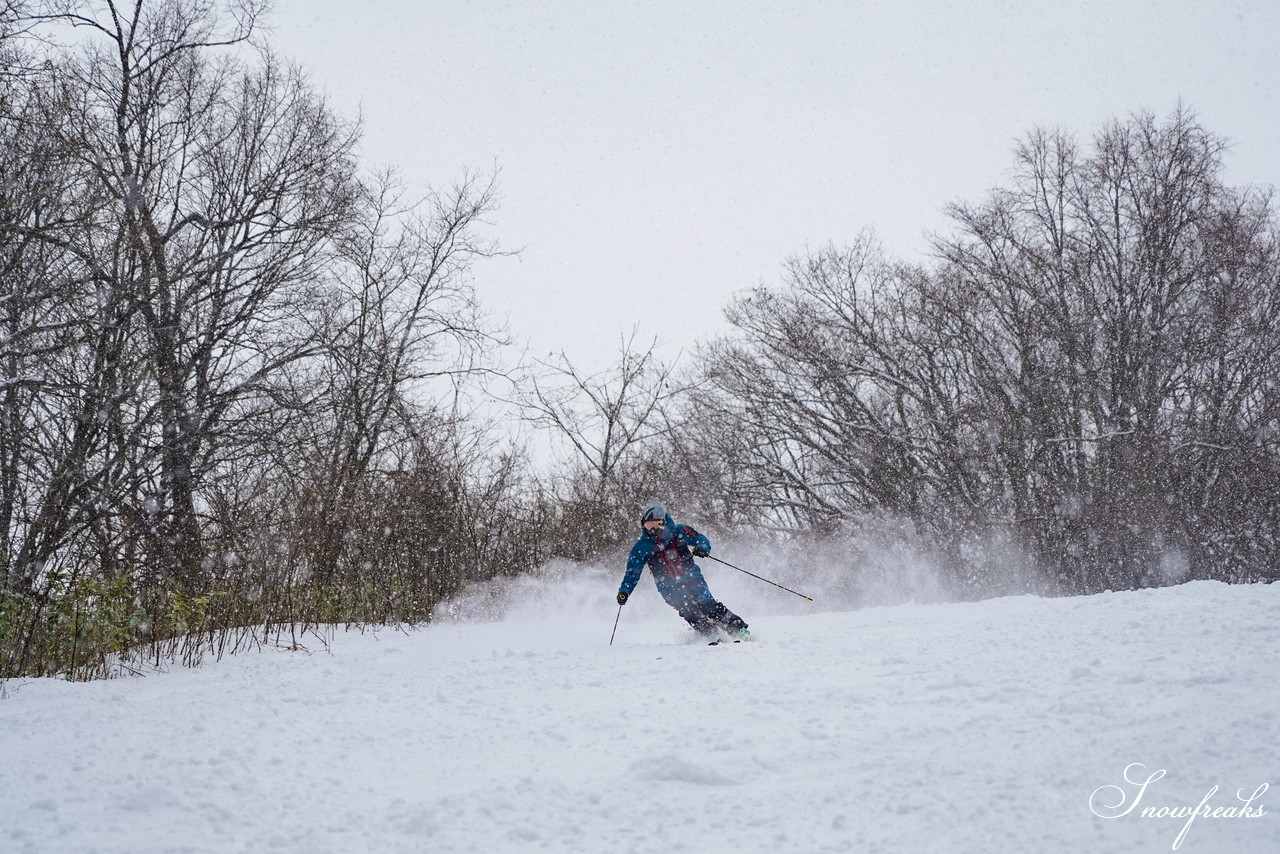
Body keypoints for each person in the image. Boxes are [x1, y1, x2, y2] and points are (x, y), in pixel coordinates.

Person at [615, 501, 750, 641]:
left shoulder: (678, 531)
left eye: (657, 524)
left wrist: (702, 547)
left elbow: (700, 538)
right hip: (667, 585)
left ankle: (738, 630)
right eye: (649, 525)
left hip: (692, 577)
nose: (653, 529)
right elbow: (632, 572)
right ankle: (711, 634)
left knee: (706, 603)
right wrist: (625, 591)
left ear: (664, 521)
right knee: (688, 608)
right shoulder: (641, 547)